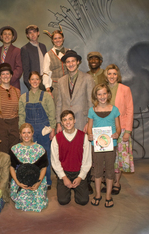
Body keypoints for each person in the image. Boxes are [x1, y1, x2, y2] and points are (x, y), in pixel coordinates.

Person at [56, 50, 95, 193]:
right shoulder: (61, 81)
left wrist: (89, 122)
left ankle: (86, 181)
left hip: (82, 120)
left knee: (84, 151)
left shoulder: (87, 78)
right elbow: (59, 103)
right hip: (66, 122)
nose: (70, 64)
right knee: (68, 151)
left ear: (78, 62)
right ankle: (67, 179)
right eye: (68, 62)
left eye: (73, 61)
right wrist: (58, 123)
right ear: (65, 64)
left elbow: (91, 102)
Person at [19, 71, 56, 189]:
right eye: (32, 79)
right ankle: (32, 180)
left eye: (37, 79)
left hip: (44, 130)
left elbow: (52, 114)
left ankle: (47, 181)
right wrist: (22, 132)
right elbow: (21, 116)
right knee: (30, 156)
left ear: (40, 81)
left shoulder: (46, 96)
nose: (35, 81)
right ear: (29, 81)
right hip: (28, 131)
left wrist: (53, 129)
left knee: (45, 156)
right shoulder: (23, 97)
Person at [88, 83, 121, 208]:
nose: (102, 96)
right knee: (97, 170)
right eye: (99, 94)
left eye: (104, 93)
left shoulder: (115, 110)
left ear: (108, 94)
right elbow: (89, 128)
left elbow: (118, 127)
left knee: (109, 169)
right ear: (95, 96)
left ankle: (108, 195)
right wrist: (90, 135)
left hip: (110, 145)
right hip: (96, 145)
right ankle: (97, 194)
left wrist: (117, 133)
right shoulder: (92, 110)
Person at [51, 110, 92, 205]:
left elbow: (87, 160)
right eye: (64, 120)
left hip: (79, 172)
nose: (68, 122)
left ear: (75, 120)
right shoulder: (57, 139)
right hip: (64, 172)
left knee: (83, 201)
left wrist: (80, 177)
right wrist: (64, 177)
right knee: (63, 201)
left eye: (70, 119)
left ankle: (78, 187)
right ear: (61, 123)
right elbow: (55, 161)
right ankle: (66, 188)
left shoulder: (83, 137)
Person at [105, 64, 134, 195]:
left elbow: (129, 110)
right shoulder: (103, 89)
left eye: (114, 74)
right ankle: (109, 180)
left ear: (118, 75)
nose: (112, 76)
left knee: (119, 157)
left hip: (121, 128)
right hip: (106, 129)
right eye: (109, 73)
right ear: (106, 75)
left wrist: (127, 131)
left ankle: (117, 182)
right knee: (109, 157)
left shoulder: (125, 89)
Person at [10, 123, 48, 212]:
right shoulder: (14, 149)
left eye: (29, 132)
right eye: (24, 133)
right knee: (23, 201)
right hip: (20, 181)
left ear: (32, 133)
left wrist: (38, 182)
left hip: (37, 180)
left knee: (38, 202)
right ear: (20, 134)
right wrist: (18, 182)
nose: (26, 135)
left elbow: (44, 167)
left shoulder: (40, 149)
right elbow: (12, 167)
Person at [0, 63, 20, 154]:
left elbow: (20, 111)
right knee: (3, 152)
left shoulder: (17, 91)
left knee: (14, 151)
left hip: (14, 124)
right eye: (3, 74)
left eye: (7, 74)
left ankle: (13, 168)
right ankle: (4, 169)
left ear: (11, 75)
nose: (5, 76)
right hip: (0, 124)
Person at [42, 25, 69, 101]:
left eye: (59, 38)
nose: (58, 40)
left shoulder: (69, 52)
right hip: (55, 88)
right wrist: (48, 89)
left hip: (68, 86)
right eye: (55, 38)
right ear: (52, 40)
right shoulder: (48, 55)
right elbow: (46, 73)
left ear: (63, 38)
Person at [21, 25, 47, 90]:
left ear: (38, 33)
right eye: (30, 33)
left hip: (45, 80)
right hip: (34, 82)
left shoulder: (43, 46)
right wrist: (29, 84)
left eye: (34, 32)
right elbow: (26, 68)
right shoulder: (25, 48)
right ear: (27, 35)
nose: (32, 34)